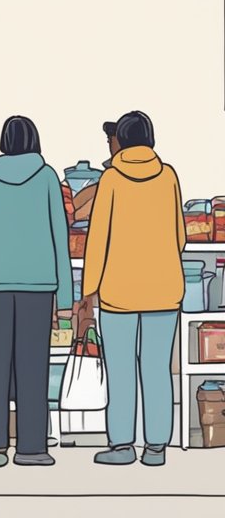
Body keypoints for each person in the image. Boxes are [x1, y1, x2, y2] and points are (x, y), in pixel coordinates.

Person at [0, 116, 73, 468]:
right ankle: (32, 448)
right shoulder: (46, 177)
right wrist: (66, 298)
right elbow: (60, 236)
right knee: (32, 366)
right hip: (37, 285)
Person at [83, 111, 185, 467]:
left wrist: (88, 290)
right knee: (157, 369)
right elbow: (180, 236)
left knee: (122, 369)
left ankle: (123, 445)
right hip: (163, 290)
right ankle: (156, 448)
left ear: (121, 141)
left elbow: (97, 241)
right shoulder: (168, 176)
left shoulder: (111, 179)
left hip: (118, 292)